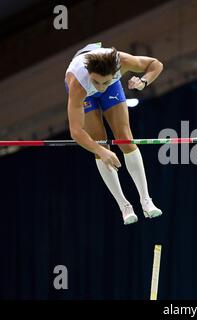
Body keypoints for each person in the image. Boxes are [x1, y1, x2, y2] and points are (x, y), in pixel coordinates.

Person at [64, 42, 163, 225]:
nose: (101, 87)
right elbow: (76, 131)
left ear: (116, 71)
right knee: (99, 144)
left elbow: (156, 64)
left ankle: (146, 200)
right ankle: (124, 206)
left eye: (105, 82)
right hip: (86, 94)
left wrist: (143, 81)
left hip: (114, 87)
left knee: (125, 138)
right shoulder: (78, 84)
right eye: (97, 82)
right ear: (89, 75)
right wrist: (102, 151)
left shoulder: (123, 61)